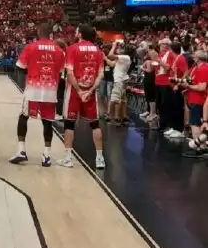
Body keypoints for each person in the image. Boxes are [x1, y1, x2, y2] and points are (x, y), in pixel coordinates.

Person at [10, 22, 65, 166]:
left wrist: (34, 70)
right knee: (47, 122)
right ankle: (46, 155)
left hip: (33, 89)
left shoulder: (30, 47)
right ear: (51, 34)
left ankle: (21, 151)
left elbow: (20, 68)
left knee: (23, 117)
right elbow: (60, 71)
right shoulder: (58, 50)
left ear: (39, 32)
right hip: (50, 92)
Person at [60, 25, 105, 169]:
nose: (76, 32)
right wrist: (91, 90)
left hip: (74, 91)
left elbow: (70, 73)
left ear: (81, 34)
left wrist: (79, 91)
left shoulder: (72, 49)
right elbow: (101, 75)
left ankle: (68, 158)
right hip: (90, 91)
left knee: (69, 124)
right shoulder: (98, 51)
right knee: (95, 124)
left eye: (77, 30)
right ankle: (100, 159)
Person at [182, 51, 208, 149]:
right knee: (196, 123)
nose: (193, 57)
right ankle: (201, 147)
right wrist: (188, 88)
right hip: (194, 99)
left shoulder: (203, 69)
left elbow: (202, 87)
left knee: (195, 124)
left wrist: (188, 86)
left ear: (197, 58)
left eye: (194, 56)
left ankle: (199, 148)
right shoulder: (198, 68)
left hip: (198, 100)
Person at [107, 41, 132, 125]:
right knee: (123, 100)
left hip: (119, 81)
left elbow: (110, 56)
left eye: (120, 48)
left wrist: (113, 46)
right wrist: (103, 56)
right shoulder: (123, 58)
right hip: (122, 81)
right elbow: (111, 64)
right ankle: (124, 117)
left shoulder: (125, 57)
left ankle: (111, 117)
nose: (118, 49)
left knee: (114, 100)